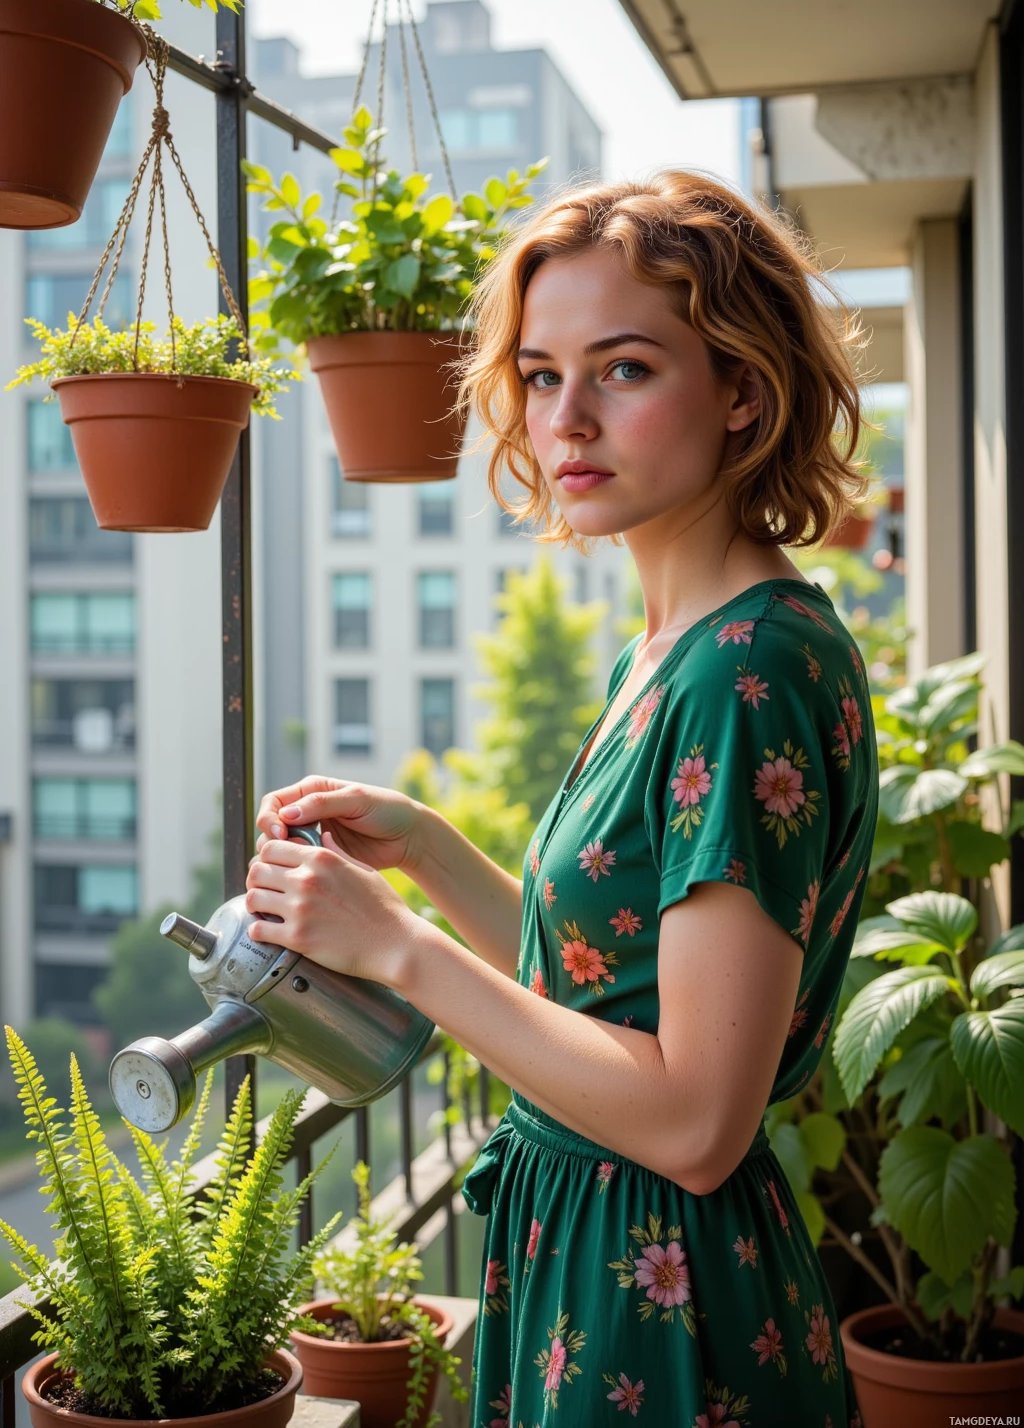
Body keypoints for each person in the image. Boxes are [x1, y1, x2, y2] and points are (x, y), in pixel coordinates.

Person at [247, 172, 875, 1427]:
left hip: (664, 1299)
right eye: (539, 375)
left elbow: (696, 1117)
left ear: (742, 389)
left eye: (624, 369)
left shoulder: (747, 672)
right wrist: (424, 849)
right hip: (602, 1261)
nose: (566, 420)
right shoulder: (672, 649)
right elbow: (603, 978)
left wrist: (401, 952)